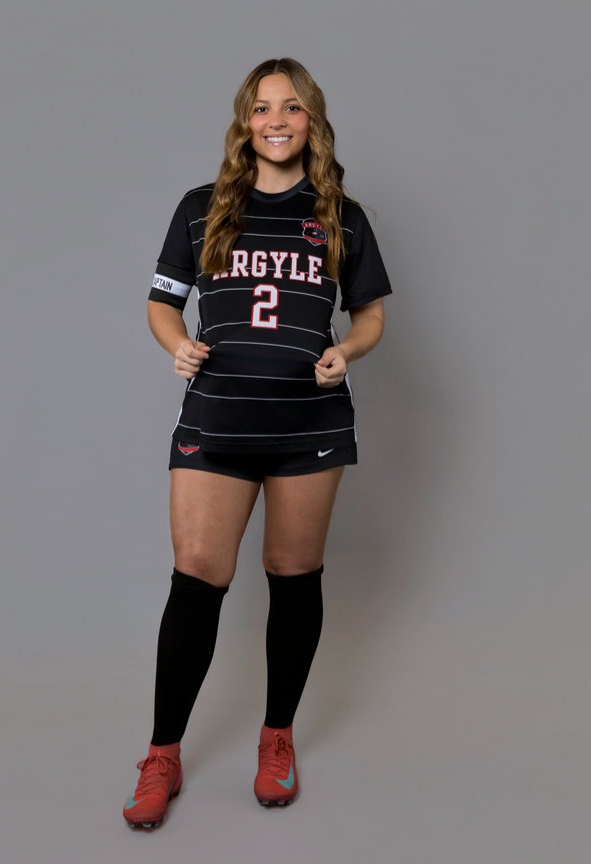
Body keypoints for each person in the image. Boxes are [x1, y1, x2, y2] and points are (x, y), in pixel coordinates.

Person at [123, 57, 391, 830]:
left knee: (293, 575)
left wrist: (349, 349)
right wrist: (176, 343)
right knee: (197, 579)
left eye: (293, 107)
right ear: (246, 121)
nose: (277, 120)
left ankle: (278, 739)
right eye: (263, 107)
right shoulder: (202, 207)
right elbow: (161, 303)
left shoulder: (343, 216)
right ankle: (162, 755)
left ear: (313, 120)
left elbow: (370, 315)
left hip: (310, 424)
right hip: (218, 420)